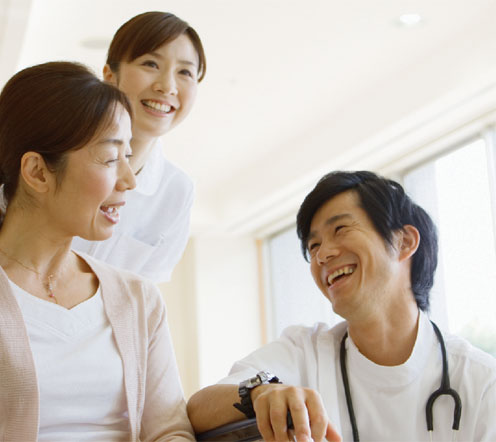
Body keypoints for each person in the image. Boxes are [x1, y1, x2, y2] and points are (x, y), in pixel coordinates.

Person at [0, 61, 194, 441]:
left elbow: (170, 430)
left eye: (129, 156)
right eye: (110, 158)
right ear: (37, 172)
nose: (129, 180)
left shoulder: (139, 299)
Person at [0, 11, 206, 293]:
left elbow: (140, 296)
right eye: (150, 64)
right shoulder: (34, 147)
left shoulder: (176, 193)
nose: (168, 86)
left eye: (186, 72)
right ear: (110, 76)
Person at [187, 171, 496, 441]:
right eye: (314, 246)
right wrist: (259, 392)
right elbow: (198, 409)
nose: (322, 255)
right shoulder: (305, 351)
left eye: (341, 229)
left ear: (404, 242)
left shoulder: (482, 383)